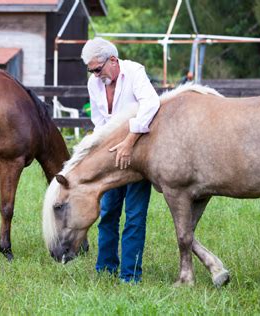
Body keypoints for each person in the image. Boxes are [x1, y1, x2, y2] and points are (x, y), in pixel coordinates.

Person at [81, 37, 160, 283]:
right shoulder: (94, 84)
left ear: (113, 60)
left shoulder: (135, 72)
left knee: (135, 217)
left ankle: (130, 275)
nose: (95, 75)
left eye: (97, 69)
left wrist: (128, 141)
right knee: (107, 214)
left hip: (137, 153)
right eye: (91, 70)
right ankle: (105, 267)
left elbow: (151, 103)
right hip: (111, 155)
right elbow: (99, 122)